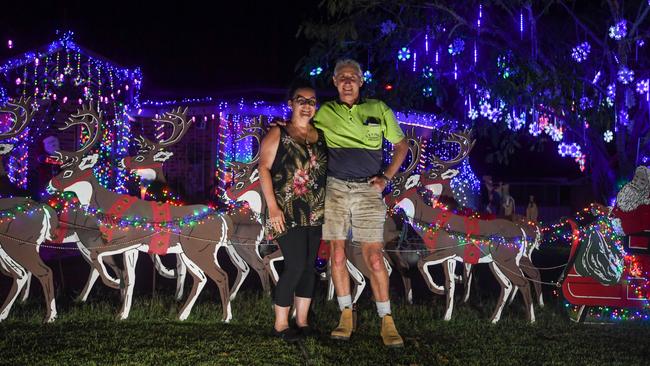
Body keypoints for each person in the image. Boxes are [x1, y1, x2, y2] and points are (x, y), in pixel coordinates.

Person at [313, 59, 408, 347]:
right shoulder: (325, 112)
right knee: (338, 256)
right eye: (341, 77)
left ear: (362, 81)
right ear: (334, 82)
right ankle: (345, 315)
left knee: (375, 258)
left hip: (368, 189)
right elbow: (304, 132)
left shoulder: (378, 109)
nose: (347, 81)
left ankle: (386, 320)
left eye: (352, 77)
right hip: (336, 188)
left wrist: (386, 178)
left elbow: (401, 147)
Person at [258, 81, 327, 342]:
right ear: (291, 103)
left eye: (312, 101)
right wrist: (273, 207)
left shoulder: (320, 135)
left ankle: (302, 321)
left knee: (309, 268)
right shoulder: (279, 133)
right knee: (295, 265)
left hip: (316, 210)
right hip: (286, 210)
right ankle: (280, 325)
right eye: (302, 100)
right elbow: (263, 168)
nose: (307, 105)